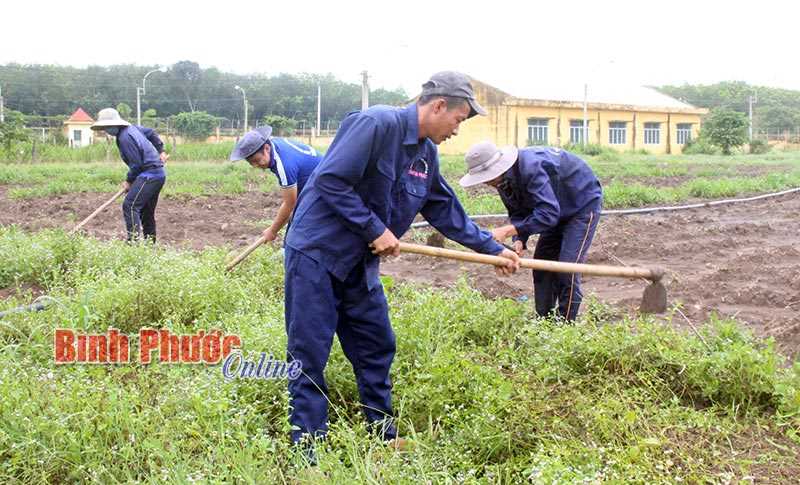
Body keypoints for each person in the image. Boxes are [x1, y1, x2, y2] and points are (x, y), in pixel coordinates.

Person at [283, 71, 520, 454]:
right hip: (318, 254)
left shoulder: (425, 155)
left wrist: (492, 250)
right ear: (439, 105)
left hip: (360, 262)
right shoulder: (375, 123)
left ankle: (382, 436)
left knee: (376, 344)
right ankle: (307, 450)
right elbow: (330, 181)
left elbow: (445, 209)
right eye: (459, 120)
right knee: (309, 351)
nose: (457, 130)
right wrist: (374, 229)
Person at [460, 142, 603, 321]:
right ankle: (544, 321)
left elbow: (548, 214)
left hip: (581, 205)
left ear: (497, 168)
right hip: (555, 208)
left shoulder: (531, 168)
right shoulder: (502, 181)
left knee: (568, 268)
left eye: (486, 177)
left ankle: (566, 325)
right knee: (541, 266)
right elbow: (518, 211)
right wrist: (519, 238)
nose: (486, 182)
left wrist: (507, 231)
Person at [229, 126, 322, 242]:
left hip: (323, 189)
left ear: (266, 148)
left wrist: (272, 230)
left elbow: (290, 204)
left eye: (257, 160)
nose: (255, 165)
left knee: (301, 236)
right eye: (251, 163)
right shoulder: (274, 145)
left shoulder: (284, 165)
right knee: (295, 228)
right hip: (311, 184)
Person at [91, 108, 168, 242]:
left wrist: (129, 181)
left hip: (149, 175)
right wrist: (160, 150)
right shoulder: (133, 129)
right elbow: (150, 132)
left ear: (115, 124)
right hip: (158, 174)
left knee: (130, 205)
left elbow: (136, 165)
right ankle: (150, 246)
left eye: (107, 127)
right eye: (104, 127)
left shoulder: (124, 138)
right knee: (146, 211)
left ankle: (133, 243)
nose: (106, 130)